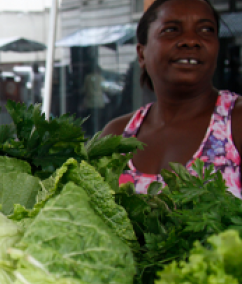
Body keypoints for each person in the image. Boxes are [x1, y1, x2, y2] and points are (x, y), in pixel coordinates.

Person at [102, 0, 242, 199]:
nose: (191, 41)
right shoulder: (116, 137)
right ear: (141, 54)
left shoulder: (235, 123)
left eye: (206, 29)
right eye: (171, 30)